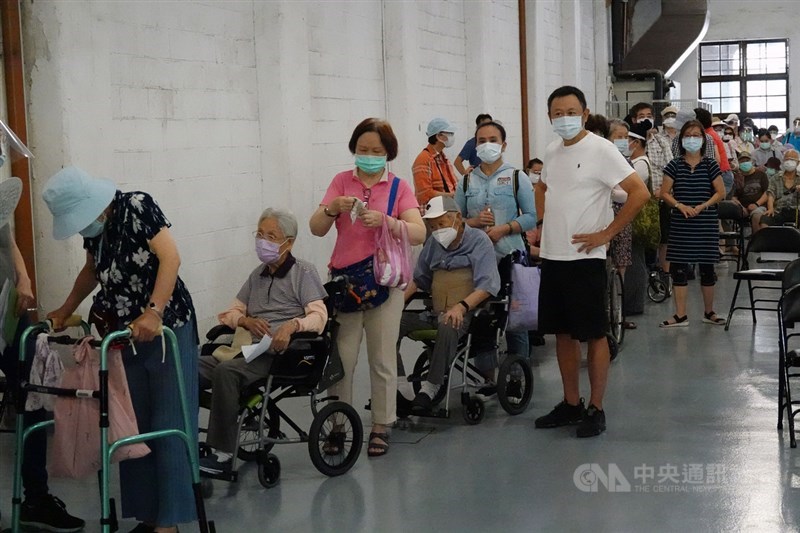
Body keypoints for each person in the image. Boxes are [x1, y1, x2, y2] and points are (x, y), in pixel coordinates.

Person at [43, 167, 199, 533]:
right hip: (123, 335)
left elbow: (170, 258)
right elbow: (91, 271)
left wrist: (154, 311)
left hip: (167, 329)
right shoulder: (97, 233)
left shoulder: (137, 206)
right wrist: (65, 310)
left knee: (168, 423)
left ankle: (169, 524)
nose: (81, 227)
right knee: (134, 428)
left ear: (94, 205)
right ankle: (148, 516)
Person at [533, 86, 649, 438]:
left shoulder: (601, 150)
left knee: (594, 334)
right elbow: (543, 188)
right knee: (563, 334)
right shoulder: (552, 151)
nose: (563, 118)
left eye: (571, 111)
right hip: (554, 256)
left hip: (586, 258)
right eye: (557, 112)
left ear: (584, 114)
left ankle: (596, 408)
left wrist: (607, 233)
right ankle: (571, 403)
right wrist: (541, 226)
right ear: (550, 116)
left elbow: (639, 193)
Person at [309, 118, 426, 457]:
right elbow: (316, 228)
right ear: (354, 149)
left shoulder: (398, 187)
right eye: (363, 150)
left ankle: (381, 425)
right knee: (341, 360)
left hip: (385, 284)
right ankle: (338, 424)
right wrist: (332, 209)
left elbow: (418, 232)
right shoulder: (340, 182)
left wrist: (389, 222)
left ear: (388, 153)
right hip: (346, 284)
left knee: (382, 357)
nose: (369, 156)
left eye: (377, 151)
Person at [198, 208, 327, 474]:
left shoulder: (303, 272)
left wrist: (292, 326)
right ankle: (188, 437)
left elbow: (319, 316)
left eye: (271, 236)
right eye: (260, 234)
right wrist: (244, 321)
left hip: (280, 355)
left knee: (226, 372)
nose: (263, 241)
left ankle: (222, 453)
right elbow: (230, 312)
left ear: (288, 242)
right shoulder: (257, 275)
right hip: (248, 349)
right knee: (187, 367)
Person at [0, 178, 85, 533]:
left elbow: (7, 238)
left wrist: (23, 279)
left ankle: (36, 497)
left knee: (35, 393)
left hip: (9, 311)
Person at [399, 196, 500, 412]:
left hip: (466, 315)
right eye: (432, 226)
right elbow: (419, 280)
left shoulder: (480, 242)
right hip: (434, 312)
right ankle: (397, 385)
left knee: (448, 321)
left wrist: (461, 307)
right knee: (391, 324)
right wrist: (397, 304)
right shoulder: (433, 244)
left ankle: (431, 387)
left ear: (458, 219)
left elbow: (487, 286)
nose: (437, 230)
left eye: (441, 224)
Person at [454, 119, 536, 366]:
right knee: (482, 318)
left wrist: (505, 228)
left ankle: (518, 375)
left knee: (515, 319)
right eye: (481, 141)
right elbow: (454, 222)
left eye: (493, 140)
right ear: (474, 146)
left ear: (503, 145)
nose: (487, 145)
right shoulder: (467, 181)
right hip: (476, 261)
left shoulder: (516, 177)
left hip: (510, 257)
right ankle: (485, 376)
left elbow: (531, 217)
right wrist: (475, 222)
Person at [658, 120, 727, 328]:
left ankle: (709, 311)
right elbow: (664, 193)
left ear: (703, 140)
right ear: (681, 139)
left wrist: (703, 205)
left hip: (705, 222)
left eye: (696, 135)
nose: (692, 139)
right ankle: (680, 315)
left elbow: (720, 192)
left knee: (707, 268)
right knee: (679, 267)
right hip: (681, 221)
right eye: (688, 135)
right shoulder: (675, 165)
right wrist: (680, 205)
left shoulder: (710, 164)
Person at [624, 122, 654, 321]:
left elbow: (629, 190)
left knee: (635, 261)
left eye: (625, 140)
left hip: (636, 217)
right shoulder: (635, 162)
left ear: (636, 142)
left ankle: (634, 303)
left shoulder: (641, 164)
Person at [606, 119, 634, 302]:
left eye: (626, 137)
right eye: (618, 137)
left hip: (623, 216)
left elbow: (630, 193)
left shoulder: (627, 162)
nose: (623, 140)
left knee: (621, 262)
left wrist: (616, 193)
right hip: (603, 216)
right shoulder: (602, 160)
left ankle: (619, 308)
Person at [412, 117, 458, 205]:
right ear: (439, 136)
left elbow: (452, 184)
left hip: (446, 208)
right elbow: (425, 194)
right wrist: (451, 196)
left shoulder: (442, 158)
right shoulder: (423, 159)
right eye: (450, 133)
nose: (452, 137)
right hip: (433, 213)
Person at [731, 151, 769, 233]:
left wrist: (756, 204)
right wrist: (740, 206)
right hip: (743, 207)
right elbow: (734, 196)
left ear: (751, 161)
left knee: (756, 215)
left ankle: (757, 241)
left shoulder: (761, 175)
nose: (745, 163)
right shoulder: (737, 178)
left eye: (747, 161)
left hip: (759, 206)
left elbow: (767, 192)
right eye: (742, 161)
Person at [761, 149, 800, 228]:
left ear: (798, 162)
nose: (789, 162)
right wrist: (770, 208)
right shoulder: (775, 178)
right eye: (787, 159)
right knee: (765, 220)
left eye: (792, 159)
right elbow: (771, 194)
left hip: (797, 211)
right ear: (783, 161)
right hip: (779, 210)